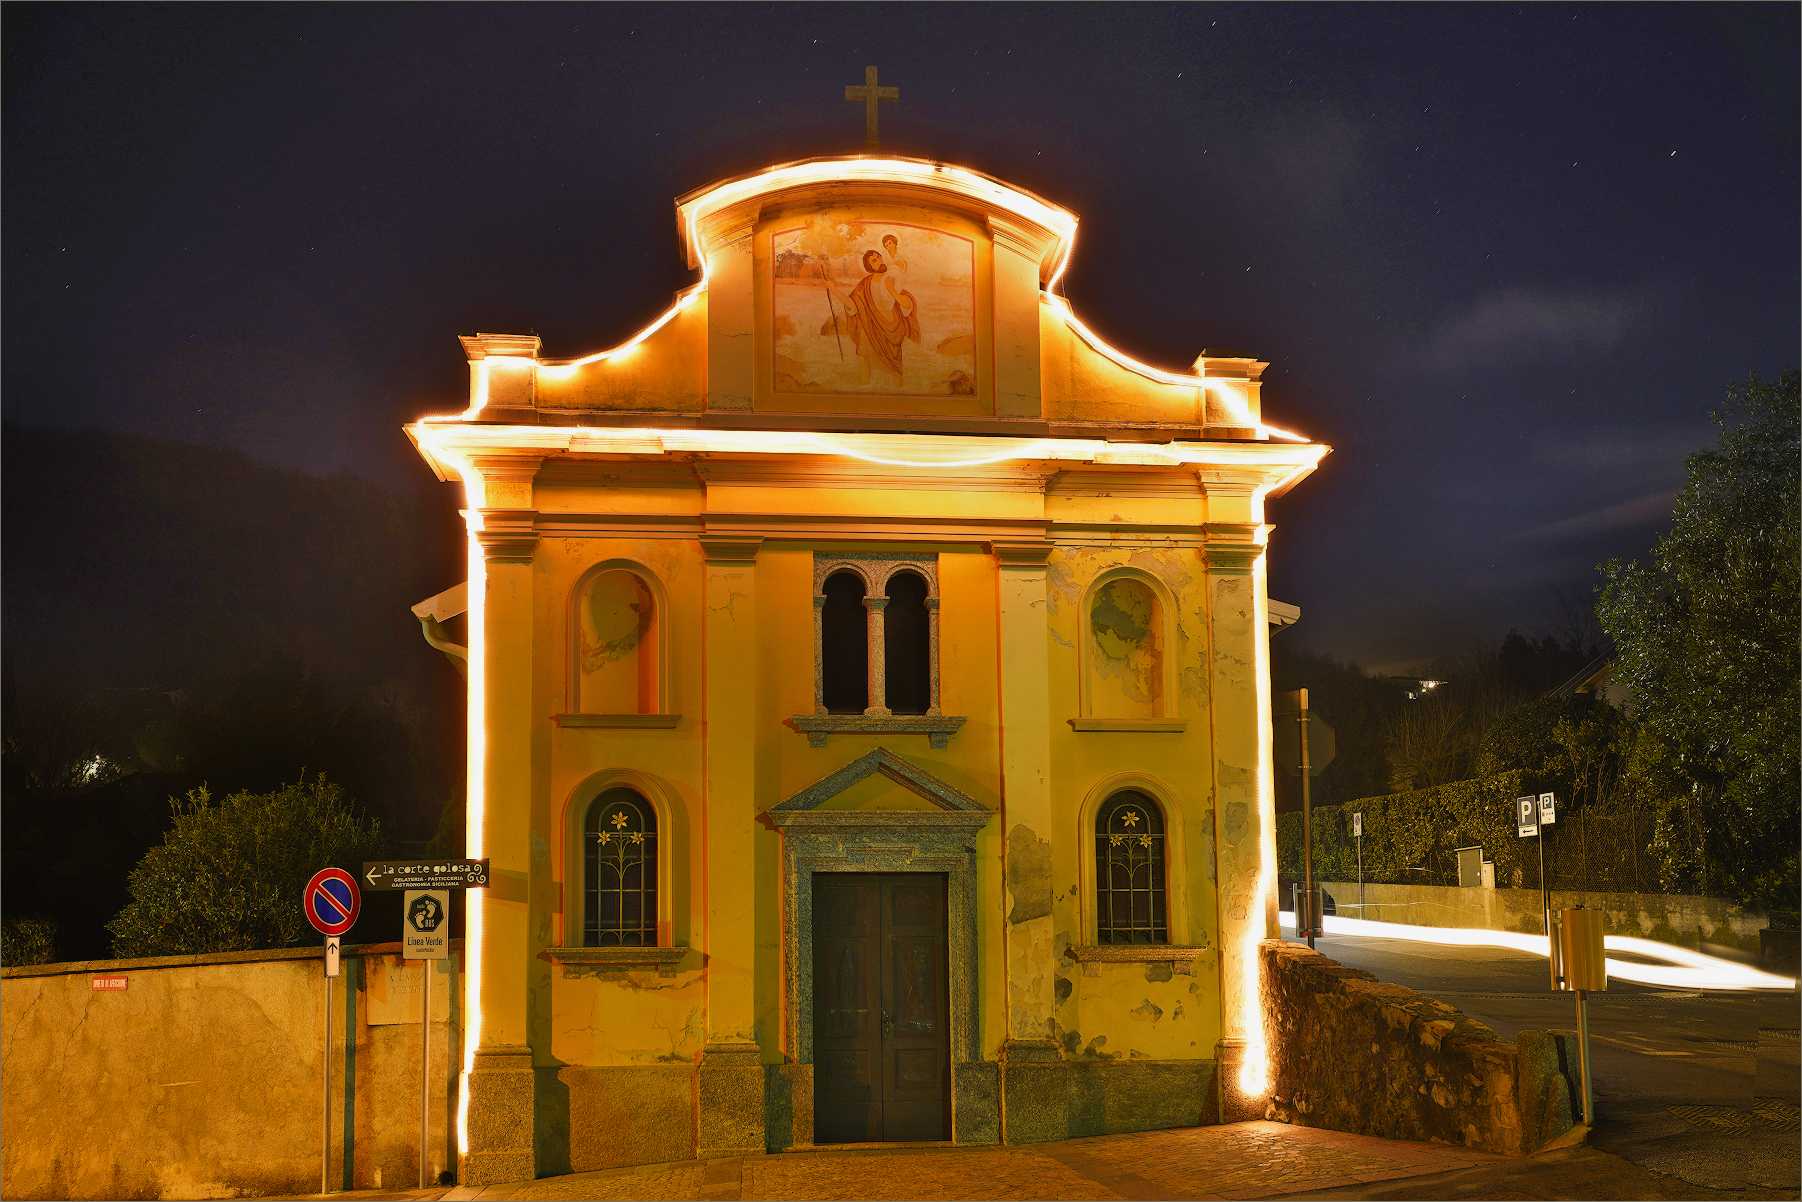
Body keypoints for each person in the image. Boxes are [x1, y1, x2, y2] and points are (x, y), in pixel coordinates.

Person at [829, 247, 919, 386]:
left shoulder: (891, 278)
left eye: (880, 257)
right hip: (870, 324)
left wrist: (893, 292)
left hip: (892, 326)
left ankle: (898, 393)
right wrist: (833, 289)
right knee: (863, 357)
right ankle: (864, 390)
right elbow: (852, 305)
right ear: (869, 267)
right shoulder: (865, 285)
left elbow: (907, 303)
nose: (880, 261)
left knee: (894, 365)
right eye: (875, 260)